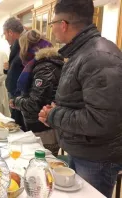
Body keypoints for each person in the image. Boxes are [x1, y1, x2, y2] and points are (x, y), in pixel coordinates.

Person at [38, 0, 122, 197]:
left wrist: (54, 115)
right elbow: (81, 100)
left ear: (63, 24)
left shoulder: (97, 56)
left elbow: (100, 120)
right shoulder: (83, 52)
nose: (52, 30)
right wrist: (55, 110)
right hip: (85, 149)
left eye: (52, 24)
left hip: (97, 157)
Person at [13, 30, 63, 156]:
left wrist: (16, 101)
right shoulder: (40, 64)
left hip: (43, 127)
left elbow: (35, 103)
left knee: (43, 166)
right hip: (40, 124)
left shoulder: (45, 67)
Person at [3, 17, 26, 131]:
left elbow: (27, 72)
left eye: (5, 34)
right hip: (17, 95)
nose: (5, 38)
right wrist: (8, 69)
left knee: (21, 130)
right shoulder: (18, 44)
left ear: (10, 32)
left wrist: (17, 96)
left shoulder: (26, 44)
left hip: (21, 96)